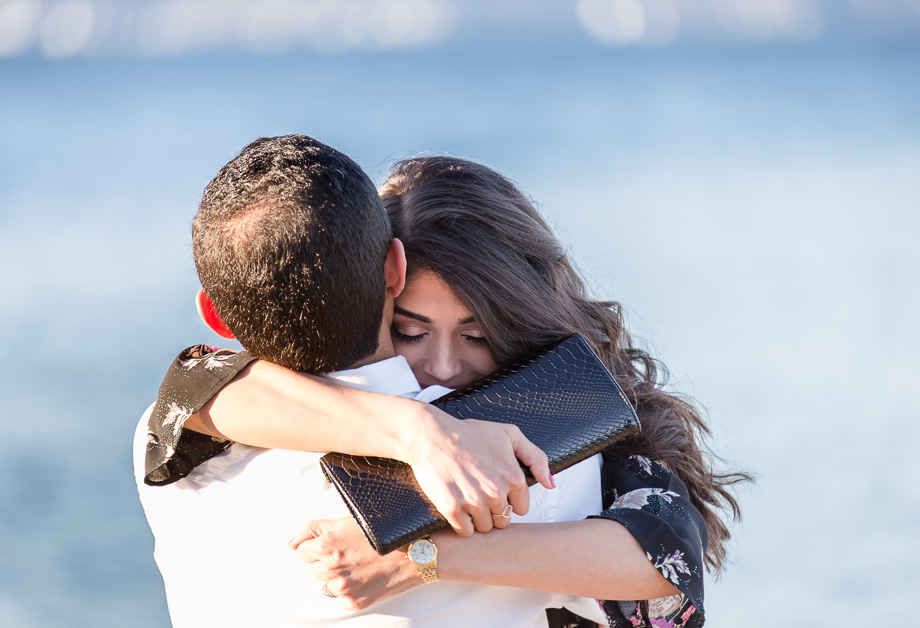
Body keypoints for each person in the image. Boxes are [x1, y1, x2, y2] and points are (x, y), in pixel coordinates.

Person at [142, 155, 749, 627]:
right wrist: (422, 431)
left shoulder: (550, 435)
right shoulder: (251, 403)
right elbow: (198, 385)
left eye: (477, 336)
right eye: (409, 331)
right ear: (382, 286)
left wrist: (416, 555)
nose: (441, 365)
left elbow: (666, 550)